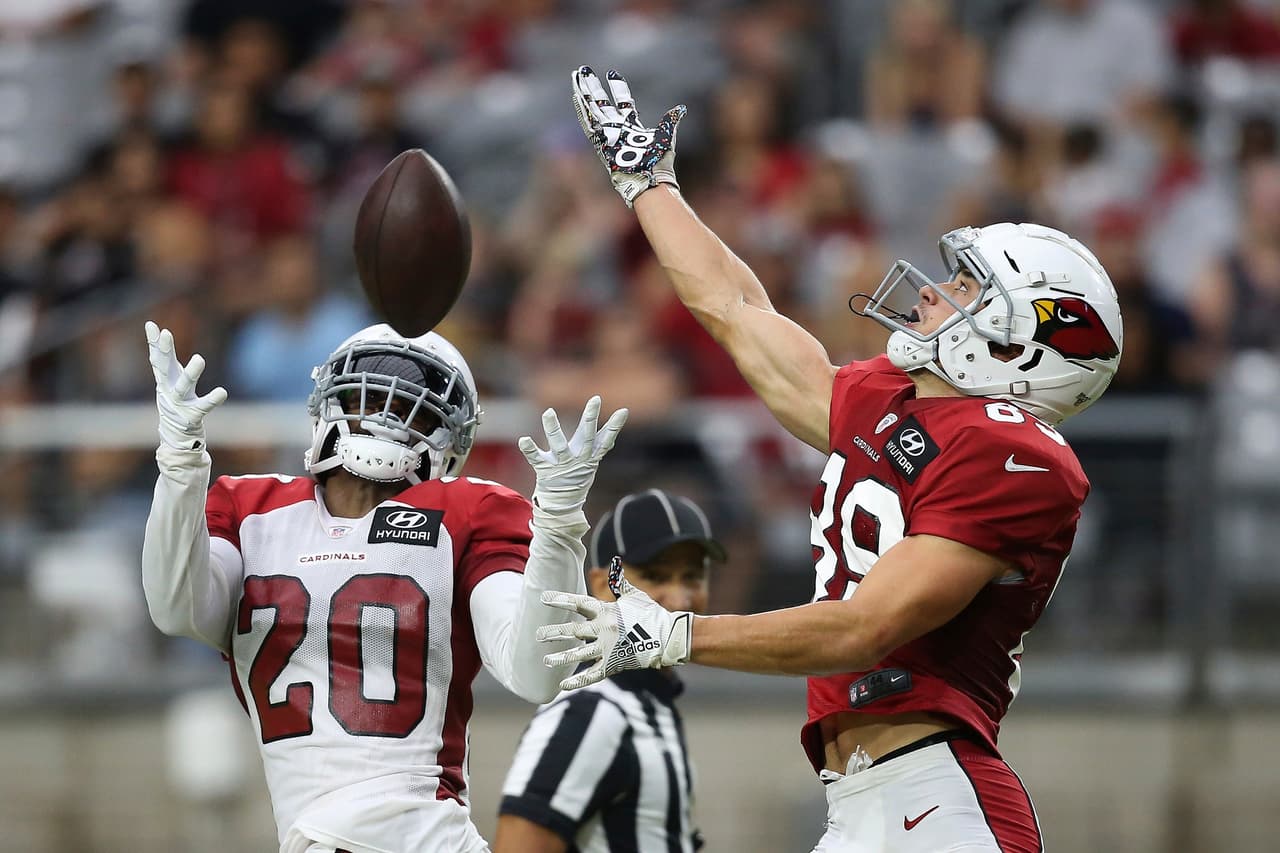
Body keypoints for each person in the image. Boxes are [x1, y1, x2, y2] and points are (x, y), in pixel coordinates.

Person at [538, 67, 1126, 853]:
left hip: (940, 799)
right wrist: (646, 183)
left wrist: (677, 633)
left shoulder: (1016, 454)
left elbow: (864, 627)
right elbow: (736, 310)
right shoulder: (898, 396)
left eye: (966, 287)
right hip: (859, 804)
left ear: (1021, 344)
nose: (932, 293)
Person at [140, 319, 627, 853]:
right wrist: (181, 465)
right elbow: (173, 607)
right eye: (368, 394)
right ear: (330, 401)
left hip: (425, 834)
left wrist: (558, 525)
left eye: (412, 406)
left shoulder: (467, 513)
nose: (387, 411)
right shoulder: (252, 508)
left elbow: (534, 672)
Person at [494, 488, 725, 853]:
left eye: (692, 577)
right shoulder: (592, 711)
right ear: (603, 586)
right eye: (655, 576)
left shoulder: (647, 703)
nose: (680, 600)